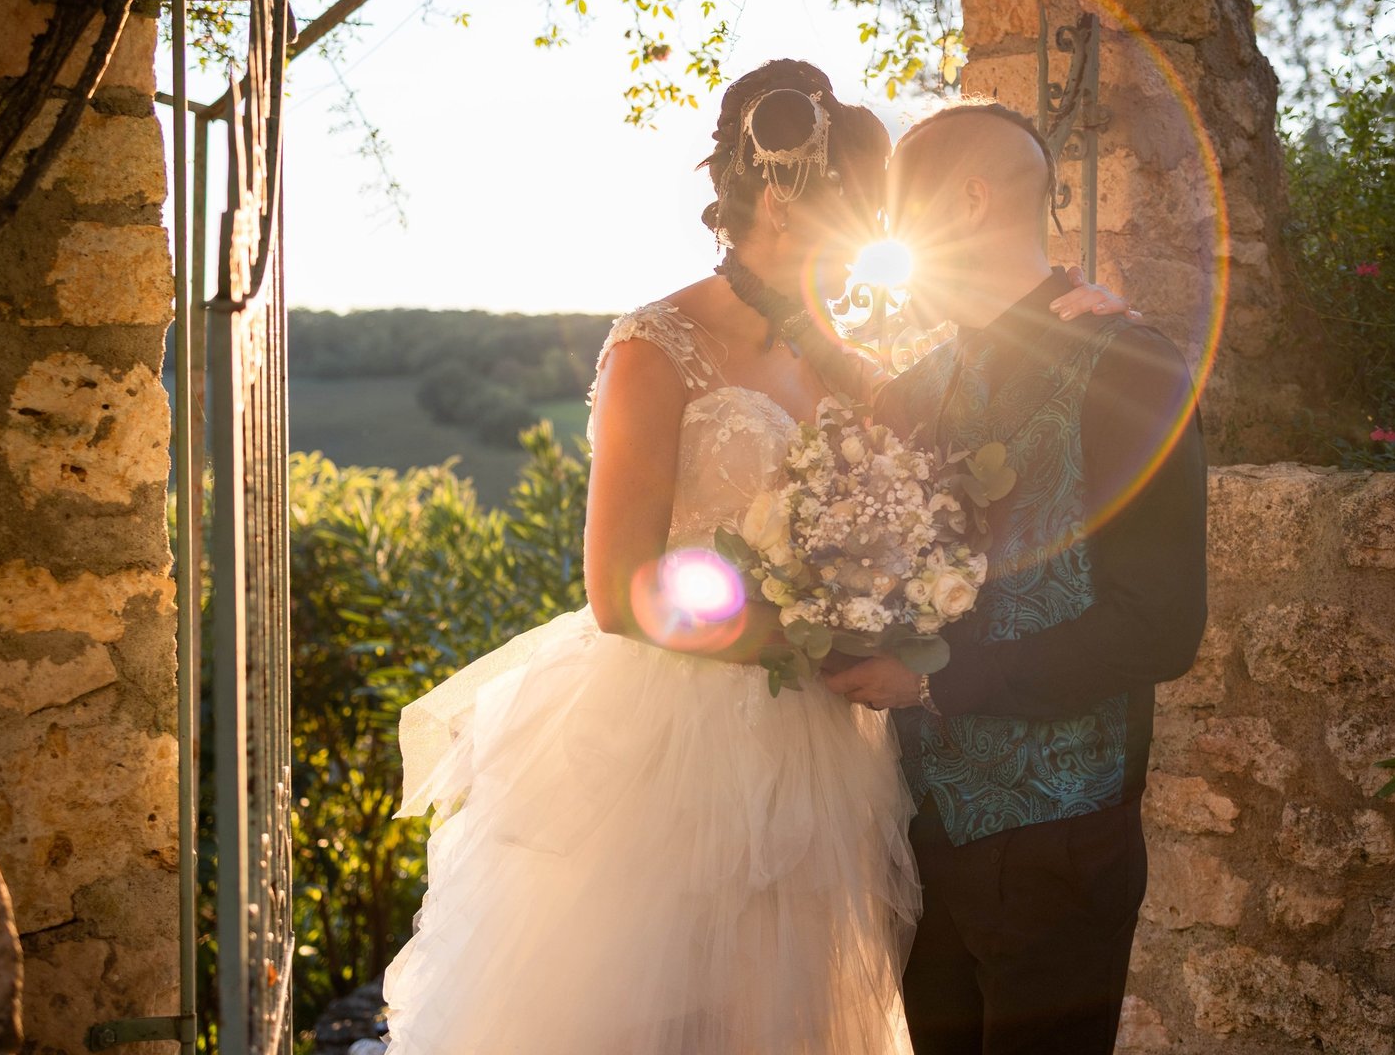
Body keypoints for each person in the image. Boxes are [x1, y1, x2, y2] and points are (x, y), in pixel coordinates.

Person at [380, 61, 1128, 1054]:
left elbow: (941, 445)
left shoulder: (851, 357)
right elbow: (620, 590)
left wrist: (1070, 314)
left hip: (821, 756)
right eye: (859, 208)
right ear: (776, 195)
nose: (872, 236)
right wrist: (812, 644)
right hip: (676, 744)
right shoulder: (659, 344)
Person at [826, 101, 1209, 1055]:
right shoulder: (908, 390)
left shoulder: (1128, 361)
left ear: (968, 200)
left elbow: (1158, 624)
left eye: (898, 211)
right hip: (922, 841)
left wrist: (932, 681)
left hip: (1061, 841)